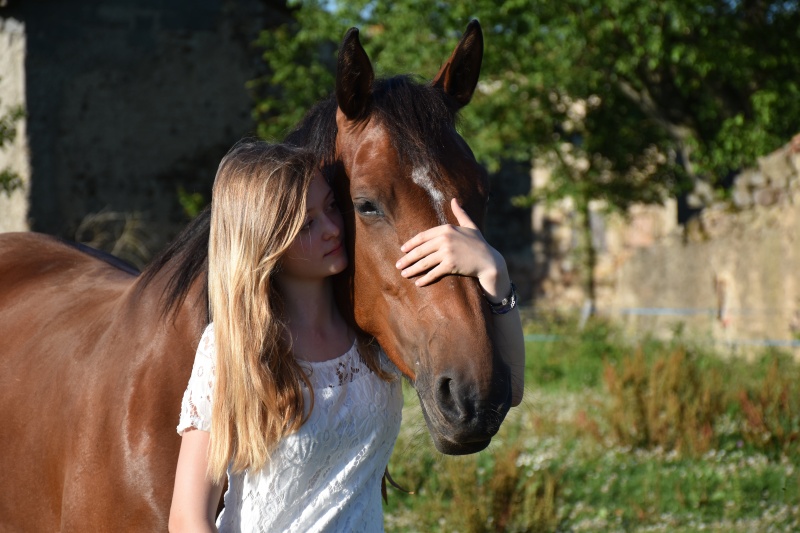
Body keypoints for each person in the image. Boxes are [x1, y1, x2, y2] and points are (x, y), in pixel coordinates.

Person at [168, 140, 525, 532]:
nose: (333, 228)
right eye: (307, 224)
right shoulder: (232, 349)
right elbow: (188, 519)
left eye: (332, 207)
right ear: (264, 242)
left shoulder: (369, 340)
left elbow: (510, 390)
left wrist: (495, 274)